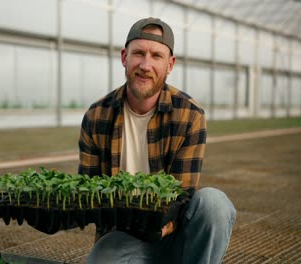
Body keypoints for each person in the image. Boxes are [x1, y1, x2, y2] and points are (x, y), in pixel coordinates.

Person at [78, 17, 236, 264]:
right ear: (124, 57)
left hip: (176, 233)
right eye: (138, 53)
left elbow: (182, 194)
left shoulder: (189, 114)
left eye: (156, 56)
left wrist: (157, 228)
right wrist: (59, 215)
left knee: (214, 204)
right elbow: (86, 191)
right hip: (124, 236)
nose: (145, 64)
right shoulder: (97, 116)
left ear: (170, 64)